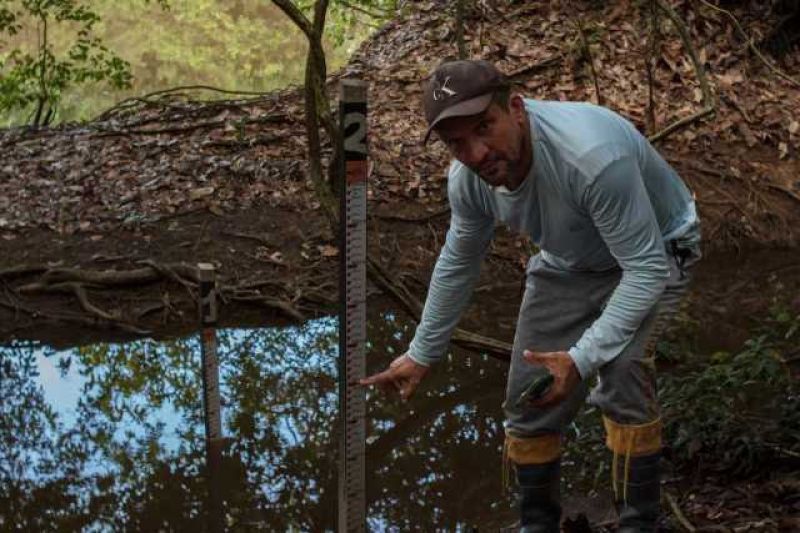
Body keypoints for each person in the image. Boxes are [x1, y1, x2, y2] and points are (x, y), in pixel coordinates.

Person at [360, 59, 701, 532]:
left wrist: (581, 359)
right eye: (457, 142)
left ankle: (638, 523)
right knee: (529, 390)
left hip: (656, 251)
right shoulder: (469, 181)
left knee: (621, 371)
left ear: (516, 108)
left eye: (485, 128)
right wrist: (422, 352)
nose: (476, 153)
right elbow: (459, 261)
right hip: (568, 261)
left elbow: (644, 270)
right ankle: (536, 524)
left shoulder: (591, 157)